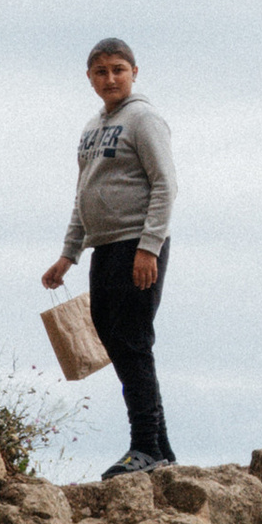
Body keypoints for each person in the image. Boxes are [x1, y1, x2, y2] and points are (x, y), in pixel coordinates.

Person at [43, 39, 178, 476]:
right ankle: (160, 448)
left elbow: (165, 185)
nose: (110, 78)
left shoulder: (144, 119)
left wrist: (149, 247)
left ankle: (145, 446)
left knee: (132, 340)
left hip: (137, 246)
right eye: (101, 72)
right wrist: (68, 254)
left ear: (134, 72)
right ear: (89, 78)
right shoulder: (91, 128)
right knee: (114, 339)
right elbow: (83, 195)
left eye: (118, 69)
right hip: (104, 247)